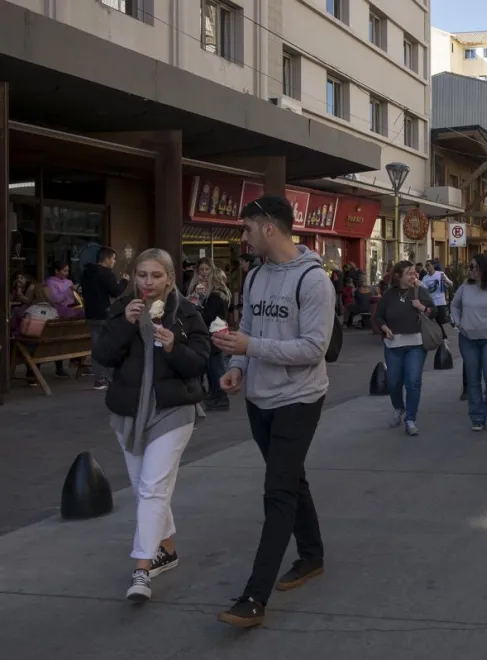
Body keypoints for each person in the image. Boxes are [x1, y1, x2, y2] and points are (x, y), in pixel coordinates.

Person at [214, 195, 336, 628]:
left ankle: (254, 597)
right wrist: (237, 364)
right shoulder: (255, 276)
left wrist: (252, 348)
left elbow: (313, 349)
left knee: (278, 491)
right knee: (291, 478)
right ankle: (312, 554)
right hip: (259, 399)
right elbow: (248, 328)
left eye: (247, 228)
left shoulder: (314, 281)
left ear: (268, 228)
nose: (244, 237)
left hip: (300, 399)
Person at [92, 248, 210, 602]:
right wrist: (125, 326)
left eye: (156, 275)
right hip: (129, 412)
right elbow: (103, 357)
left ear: (170, 278)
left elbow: (200, 364)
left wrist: (174, 347)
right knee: (144, 488)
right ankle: (167, 550)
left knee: (152, 487)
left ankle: (141, 569)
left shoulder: (186, 313)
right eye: (142, 275)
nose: (148, 282)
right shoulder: (121, 309)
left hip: (173, 410)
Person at [373, 260, 437, 437]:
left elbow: (435, 311)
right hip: (393, 346)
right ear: (398, 276)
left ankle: (410, 419)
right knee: (393, 382)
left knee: (413, 382)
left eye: (414, 273)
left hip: (416, 345)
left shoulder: (419, 291)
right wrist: (384, 328)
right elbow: (378, 317)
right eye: (409, 273)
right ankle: (398, 407)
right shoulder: (389, 295)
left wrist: (422, 307)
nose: (413, 276)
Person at [451, 254, 487, 431]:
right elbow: (454, 305)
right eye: (469, 267)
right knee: (473, 379)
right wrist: (458, 323)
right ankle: (476, 416)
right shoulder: (465, 287)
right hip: (468, 339)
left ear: (484, 268)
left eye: (473, 267)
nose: (469, 270)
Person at [81, 246, 130, 390]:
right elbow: (116, 291)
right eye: (113, 259)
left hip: (90, 313)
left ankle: (100, 379)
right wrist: (124, 281)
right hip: (104, 313)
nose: (114, 262)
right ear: (107, 258)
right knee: (108, 346)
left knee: (97, 345)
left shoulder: (86, 273)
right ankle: (107, 377)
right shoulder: (106, 274)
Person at [201, 269, 232, 411]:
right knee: (215, 364)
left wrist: (199, 309)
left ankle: (220, 396)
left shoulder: (215, 296)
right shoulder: (225, 294)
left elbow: (207, 315)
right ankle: (216, 394)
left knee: (214, 367)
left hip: (212, 332)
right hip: (220, 331)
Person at [421, 260, 454, 339]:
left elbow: (451, 284)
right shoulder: (425, 278)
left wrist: (446, 281)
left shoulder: (440, 274)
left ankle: (449, 321)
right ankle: (443, 337)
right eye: (426, 266)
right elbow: (424, 291)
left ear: (433, 265)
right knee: (435, 321)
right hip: (432, 303)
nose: (427, 267)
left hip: (441, 301)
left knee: (442, 321)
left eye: (428, 265)